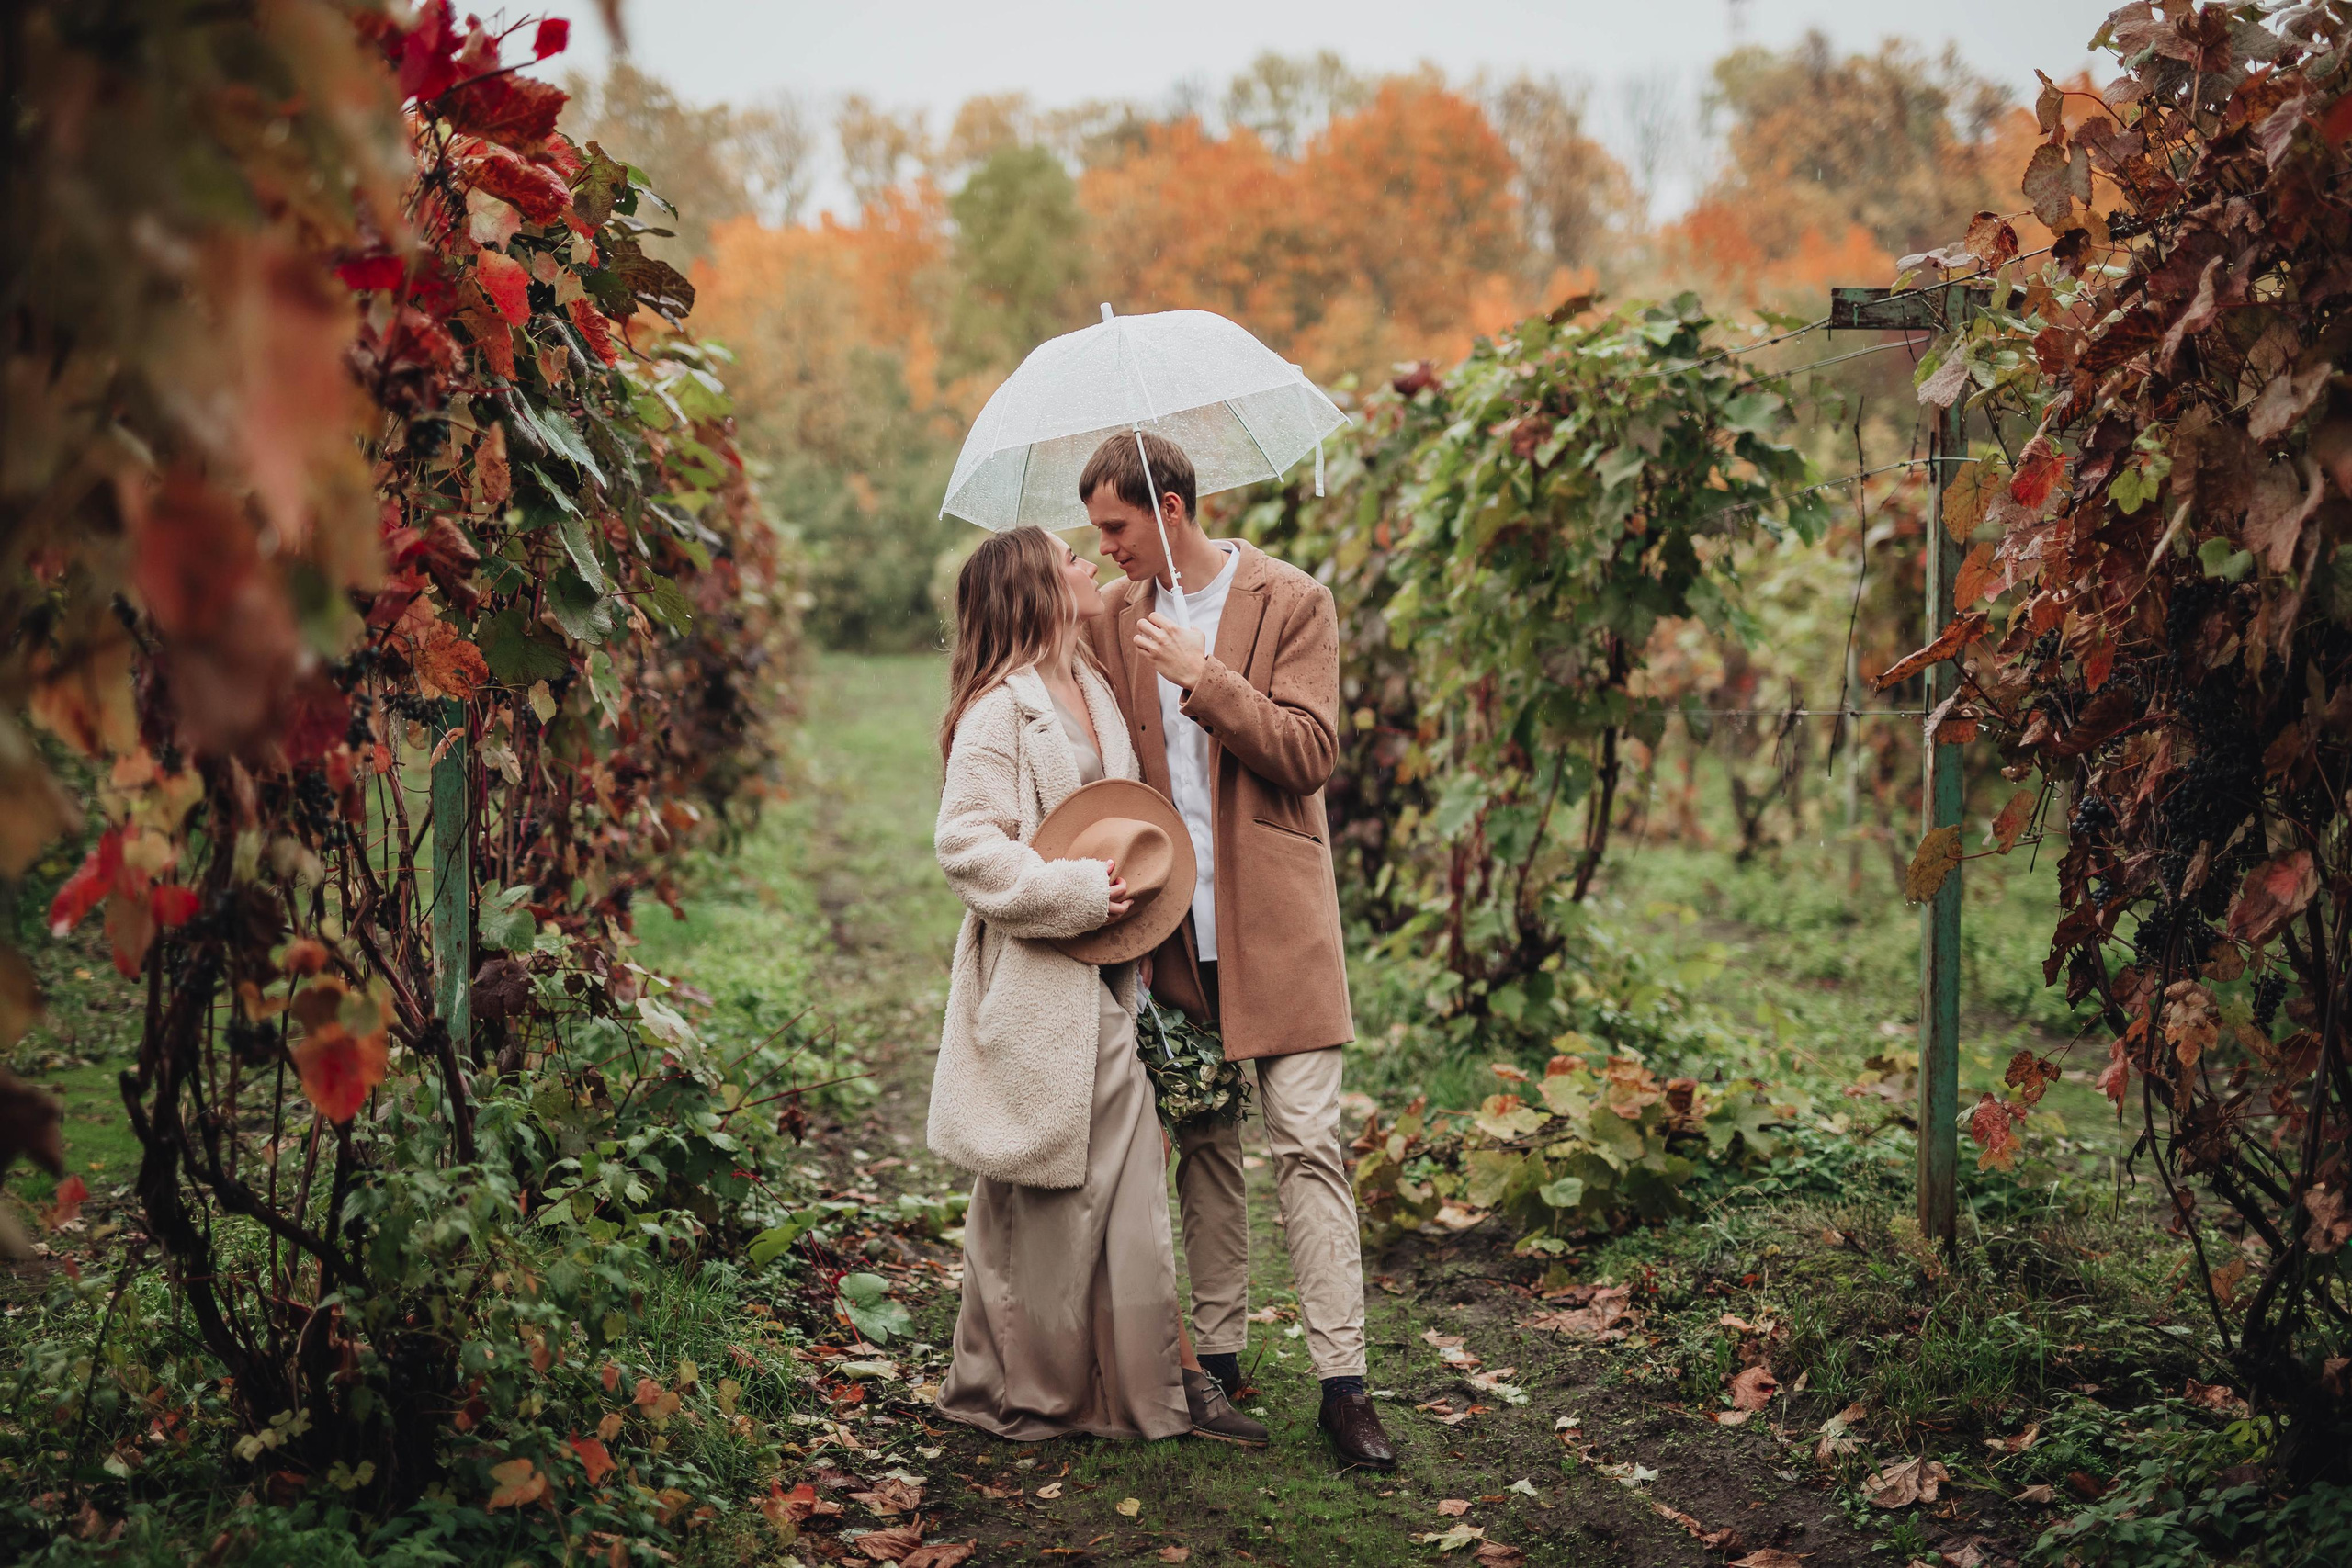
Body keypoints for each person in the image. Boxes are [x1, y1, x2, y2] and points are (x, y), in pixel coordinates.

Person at [1078, 431, 1399, 1471]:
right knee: (1206, 1147)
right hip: (1170, 935)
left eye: (1117, 527)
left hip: (1279, 927)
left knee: (1306, 1141)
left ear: (1171, 509)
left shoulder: (1291, 601)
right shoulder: (1114, 615)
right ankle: (1214, 1364)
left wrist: (1204, 678)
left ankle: (1343, 1386)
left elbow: (1308, 754)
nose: (1107, 548)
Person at [925, 524, 1266, 1446]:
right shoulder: (1003, 709)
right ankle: (1042, 1384)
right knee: (1047, 1194)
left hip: (1110, 980)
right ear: (1036, 589)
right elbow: (965, 845)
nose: (1088, 565)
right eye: (1070, 557)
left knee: (1120, 1183)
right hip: (1040, 984)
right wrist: (1072, 892)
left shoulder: (1096, 690)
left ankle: (1144, 1383)